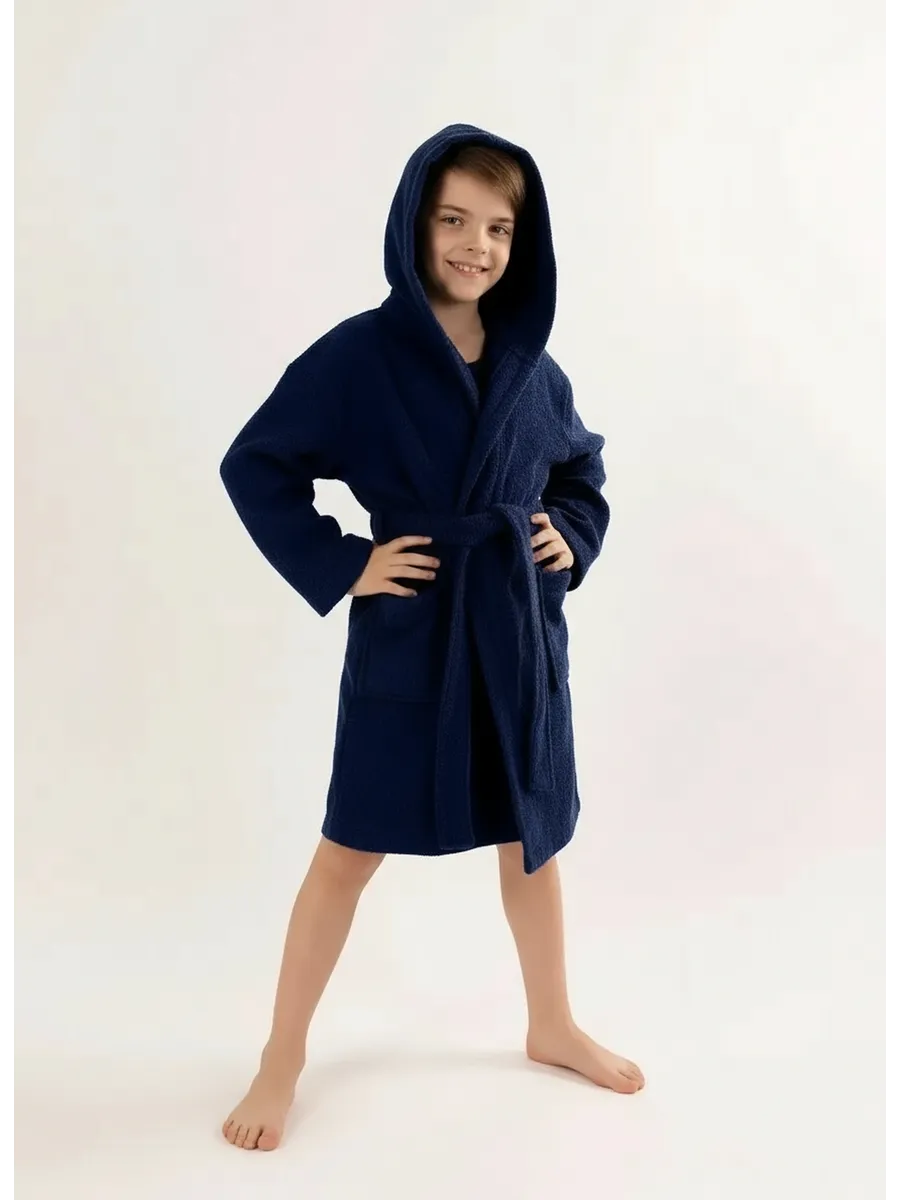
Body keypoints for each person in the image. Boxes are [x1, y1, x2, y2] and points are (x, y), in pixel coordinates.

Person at [218, 123, 645, 1152]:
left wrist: (570, 533)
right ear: (415, 222)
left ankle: (550, 1022)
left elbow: (580, 471)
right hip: (414, 637)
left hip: (517, 635)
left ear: (520, 243)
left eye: (498, 228)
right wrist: (345, 564)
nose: (475, 245)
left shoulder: (531, 367)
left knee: (532, 841)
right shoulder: (358, 357)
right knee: (347, 849)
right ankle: (282, 1056)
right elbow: (255, 465)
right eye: (454, 219)